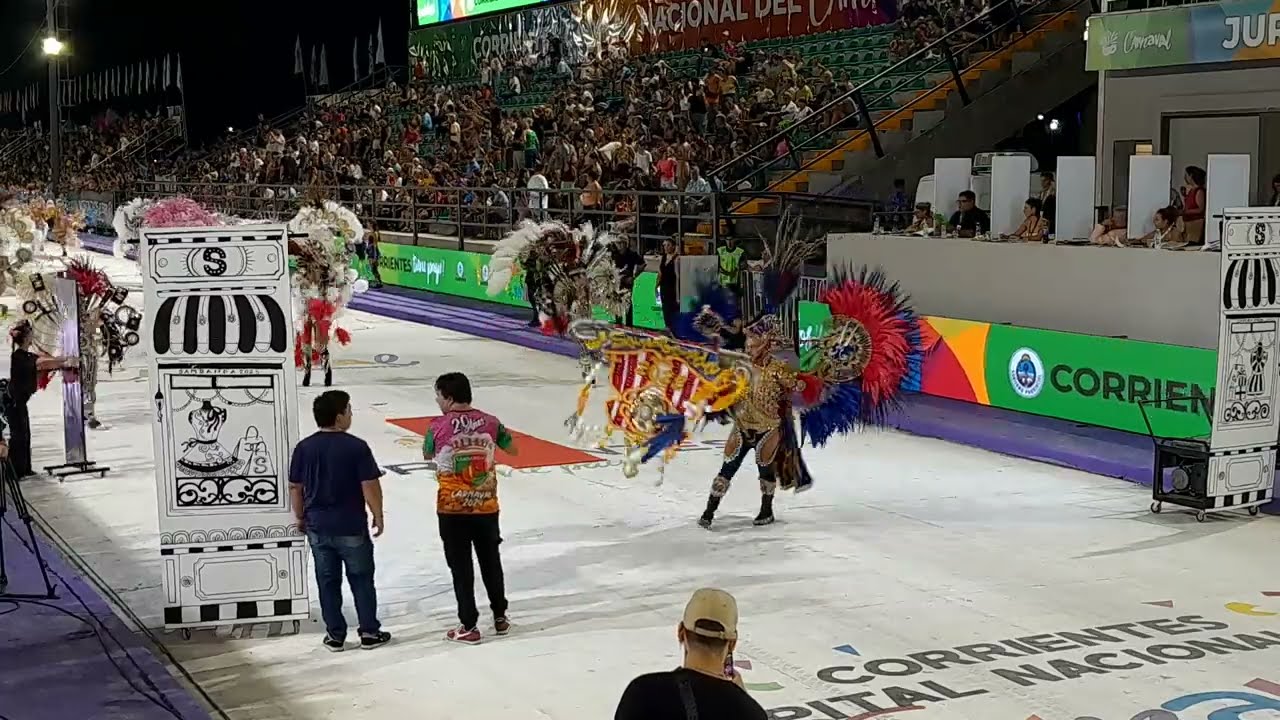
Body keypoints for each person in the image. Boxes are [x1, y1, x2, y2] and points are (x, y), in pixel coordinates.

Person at [289, 390, 390, 652]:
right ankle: (369, 631)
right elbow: (369, 484)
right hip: (351, 525)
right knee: (361, 579)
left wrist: (300, 516)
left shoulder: (304, 448)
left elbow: (295, 487)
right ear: (338, 416)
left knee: (327, 580)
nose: (351, 415)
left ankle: (335, 635)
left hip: (318, 526)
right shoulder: (356, 447)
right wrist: (378, 514)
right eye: (349, 410)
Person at [424, 372, 515, 645]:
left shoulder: (437, 426)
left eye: (438, 396)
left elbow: (427, 452)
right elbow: (510, 446)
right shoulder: (491, 421)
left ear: (449, 398)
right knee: (491, 561)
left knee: (461, 567)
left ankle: (469, 624)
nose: (437, 401)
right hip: (486, 506)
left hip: (453, 508)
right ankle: (500, 616)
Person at [614, 588, 766, 720]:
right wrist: (740, 697)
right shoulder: (749, 712)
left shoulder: (642, 693)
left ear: (681, 633)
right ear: (732, 643)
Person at [658, 237, 680, 333]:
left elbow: (678, 276)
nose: (666, 247)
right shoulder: (662, 258)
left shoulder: (676, 259)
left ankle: (674, 329)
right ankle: (667, 326)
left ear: (673, 246)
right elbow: (660, 273)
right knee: (664, 307)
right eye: (664, 245)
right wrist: (656, 285)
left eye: (668, 245)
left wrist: (678, 294)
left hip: (672, 287)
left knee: (672, 308)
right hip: (663, 286)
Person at [1181, 166, 1207, 245]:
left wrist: (1186, 212)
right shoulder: (1191, 190)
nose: (1185, 177)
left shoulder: (1199, 191)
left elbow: (1200, 209)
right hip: (1188, 224)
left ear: (1191, 176)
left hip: (1196, 224)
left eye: (1186, 175)